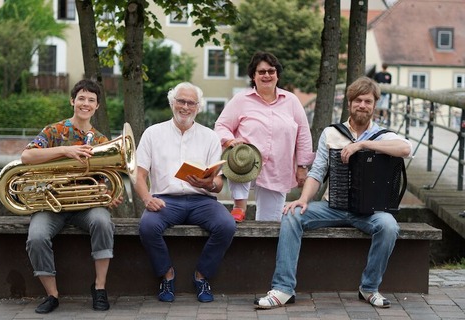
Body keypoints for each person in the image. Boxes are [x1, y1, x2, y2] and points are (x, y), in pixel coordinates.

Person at [254, 76, 412, 309]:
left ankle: (369, 288)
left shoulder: (384, 136)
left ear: (374, 105)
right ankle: (283, 288)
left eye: (368, 101)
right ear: (349, 104)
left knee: (389, 226)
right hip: (332, 206)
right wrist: (303, 199)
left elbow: (406, 148)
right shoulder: (331, 133)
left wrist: (363, 145)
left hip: (369, 212)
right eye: (358, 100)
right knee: (291, 215)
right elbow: (317, 171)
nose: (362, 105)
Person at [22, 79, 121, 314]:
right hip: (50, 203)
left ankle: (99, 287)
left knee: (103, 222)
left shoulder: (101, 141)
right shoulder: (54, 131)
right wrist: (65, 150)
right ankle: (52, 295)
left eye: (91, 100)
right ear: (72, 101)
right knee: (36, 237)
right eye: (81, 99)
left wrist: (106, 193)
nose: (85, 104)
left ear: (97, 106)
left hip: (86, 206)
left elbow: (103, 179)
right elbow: (26, 156)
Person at [133, 82, 236, 303]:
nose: (185, 107)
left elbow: (218, 182)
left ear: (198, 107)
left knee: (227, 225)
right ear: (172, 103)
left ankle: (201, 275)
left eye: (191, 103)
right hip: (166, 200)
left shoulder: (209, 136)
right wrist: (147, 198)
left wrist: (207, 184)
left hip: (202, 200)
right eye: (181, 101)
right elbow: (139, 175)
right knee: (147, 226)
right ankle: (167, 275)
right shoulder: (153, 133)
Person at [215, 51, 314, 222]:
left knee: (270, 222)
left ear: (277, 75)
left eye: (271, 71)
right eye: (261, 72)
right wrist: (231, 140)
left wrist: (302, 166)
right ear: (253, 76)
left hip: (278, 167)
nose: (267, 75)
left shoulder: (291, 101)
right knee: (239, 156)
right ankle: (240, 206)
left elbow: (303, 134)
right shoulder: (241, 100)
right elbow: (221, 126)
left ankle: (264, 249)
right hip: (246, 163)